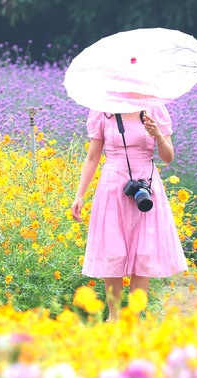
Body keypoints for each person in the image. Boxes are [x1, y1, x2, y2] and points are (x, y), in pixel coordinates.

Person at [69, 104, 187, 320]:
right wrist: (79, 195)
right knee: (112, 251)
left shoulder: (155, 109)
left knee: (145, 252)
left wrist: (158, 134)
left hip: (146, 185)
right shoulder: (103, 110)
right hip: (113, 185)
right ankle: (114, 318)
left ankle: (133, 318)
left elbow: (168, 157)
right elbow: (93, 157)